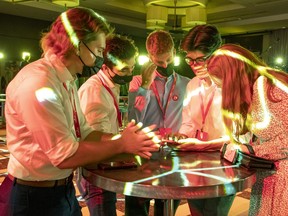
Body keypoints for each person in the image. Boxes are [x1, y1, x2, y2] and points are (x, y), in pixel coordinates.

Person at [5, 7, 159, 216]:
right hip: (33, 197)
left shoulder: (66, 80)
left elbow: (85, 133)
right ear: (77, 45)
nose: (99, 58)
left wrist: (128, 142)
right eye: (97, 51)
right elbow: (64, 155)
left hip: (61, 190)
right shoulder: (40, 84)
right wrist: (122, 144)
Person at [207, 43, 288, 216]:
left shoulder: (269, 87)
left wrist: (251, 150)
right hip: (271, 176)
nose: (221, 91)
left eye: (221, 85)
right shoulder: (259, 88)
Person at [164, 24, 235, 216]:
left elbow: (239, 140)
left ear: (217, 54)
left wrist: (203, 145)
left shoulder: (232, 86)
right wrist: (181, 135)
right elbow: (189, 122)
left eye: (201, 59)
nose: (194, 66)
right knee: (196, 211)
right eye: (190, 60)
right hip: (196, 162)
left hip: (225, 164)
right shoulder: (193, 84)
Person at [126, 30, 190, 216]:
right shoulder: (137, 82)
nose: (165, 65)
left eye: (168, 60)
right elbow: (133, 121)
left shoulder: (186, 83)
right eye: (159, 62)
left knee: (167, 209)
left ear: (174, 53)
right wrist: (145, 87)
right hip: (144, 154)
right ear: (149, 57)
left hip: (173, 155)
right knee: (136, 210)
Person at [77, 34, 139, 216]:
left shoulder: (109, 84)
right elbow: (94, 138)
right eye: (125, 70)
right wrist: (129, 147)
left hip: (104, 166)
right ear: (105, 67)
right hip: (96, 174)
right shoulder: (94, 90)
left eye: (132, 68)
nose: (129, 74)